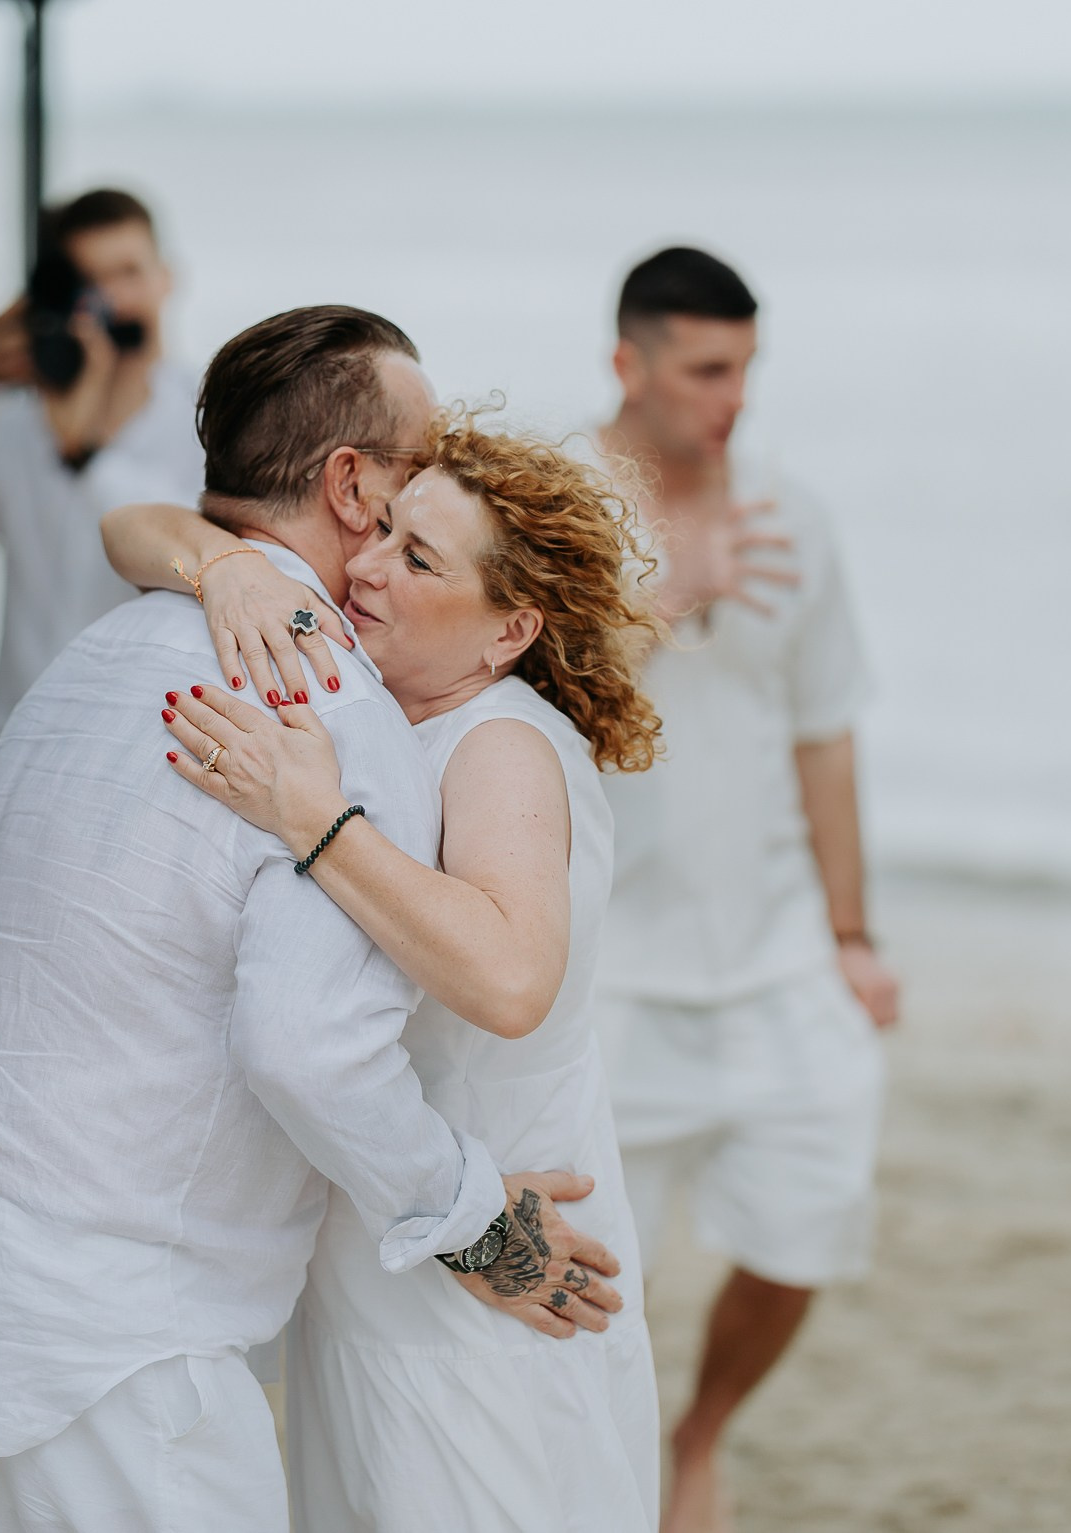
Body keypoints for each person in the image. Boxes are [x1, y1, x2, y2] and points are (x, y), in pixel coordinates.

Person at [0, 306, 622, 1533]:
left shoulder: (84, 662)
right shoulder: (323, 707)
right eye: (418, 459)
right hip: (117, 1361)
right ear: (353, 486)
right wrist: (475, 1225)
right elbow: (306, 1047)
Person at [105, 415, 666, 1530]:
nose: (362, 566)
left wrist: (317, 821)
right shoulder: (382, 699)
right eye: (382, 531)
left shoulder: (497, 742)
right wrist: (225, 571)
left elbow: (510, 981)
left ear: (507, 631)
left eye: (417, 560)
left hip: (499, 1265)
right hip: (394, 1246)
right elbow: (127, 527)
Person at [587, 247, 900, 1533]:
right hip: (603, 962)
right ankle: (611, 1479)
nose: (732, 399)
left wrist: (851, 930)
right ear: (629, 364)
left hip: (772, 944)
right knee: (605, 1275)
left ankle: (698, 1433)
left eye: (745, 369)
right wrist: (666, 596)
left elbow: (824, 728)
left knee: (811, 1212)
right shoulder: (548, 495)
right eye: (707, 370)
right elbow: (498, 692)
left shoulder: (789, 509)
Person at [0, 188, 203, 741]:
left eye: (128, 273)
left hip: (142, 741)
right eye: (90, 281)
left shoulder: (209, 420)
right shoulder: (15, 420)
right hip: (16, 733)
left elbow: (191, 559)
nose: (110, 301)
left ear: (167, 278)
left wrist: (83, 453)